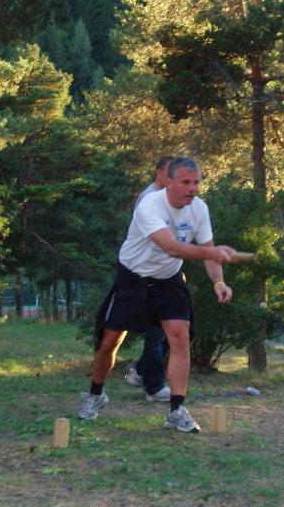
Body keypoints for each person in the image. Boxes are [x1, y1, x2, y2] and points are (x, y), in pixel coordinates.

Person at [79, 156, 234, 433]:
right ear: (169, 181)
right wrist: (209, 252)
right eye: (186, 182)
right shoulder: (149, 204)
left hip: (168, 280)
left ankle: (176, 410)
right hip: (133, 278)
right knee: (110, 341)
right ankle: (96, 394)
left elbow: (209, 251)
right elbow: (171, 247)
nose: (192, 188)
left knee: (180, 337)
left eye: (196, 182)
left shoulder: (199, 209)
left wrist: (218, 282)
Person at [124, 155, 174, 403]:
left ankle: (142, 371)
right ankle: (154, 388)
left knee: (177, 330)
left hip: (165, 275)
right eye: (169, 174)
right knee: (157, 331)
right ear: (159, 173)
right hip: (145, 275)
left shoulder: (170, 200)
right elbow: (156, 241)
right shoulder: (148, 199)